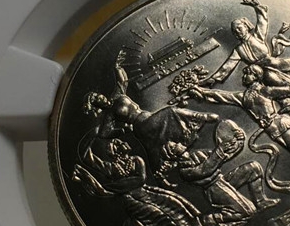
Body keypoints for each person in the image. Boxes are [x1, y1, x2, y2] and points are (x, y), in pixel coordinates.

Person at [188, 65, 290, 207]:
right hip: (273, 130)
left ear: (255, 76)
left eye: (247, 73)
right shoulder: (244, 97)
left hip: (282, 124)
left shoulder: (265, 90)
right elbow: (221, 95)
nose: (243, 76)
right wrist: (201, 91)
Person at [72, 137, 216, 226]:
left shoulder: (136, 160)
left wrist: (115, 186)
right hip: (132, 201)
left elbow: (140, 179)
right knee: (161, 218)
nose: (122, 143)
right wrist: (92, 136)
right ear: (114, 151)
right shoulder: (111, 168)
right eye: (117, 143)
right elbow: (88, 158)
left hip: (148, 192)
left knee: (177, 207)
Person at [83, 50, 219, 170]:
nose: (100, 97)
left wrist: (117, 67)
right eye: (96, 99)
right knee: (170, 112)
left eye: (98, 95)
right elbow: (104, 133)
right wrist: (123, 130)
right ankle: (201, 117)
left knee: (157, 147)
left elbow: (122, 81)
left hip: (147, 118)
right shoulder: (109, 113)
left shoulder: (117, 96)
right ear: (96, 105)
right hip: (141, 124)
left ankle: (165, 170)